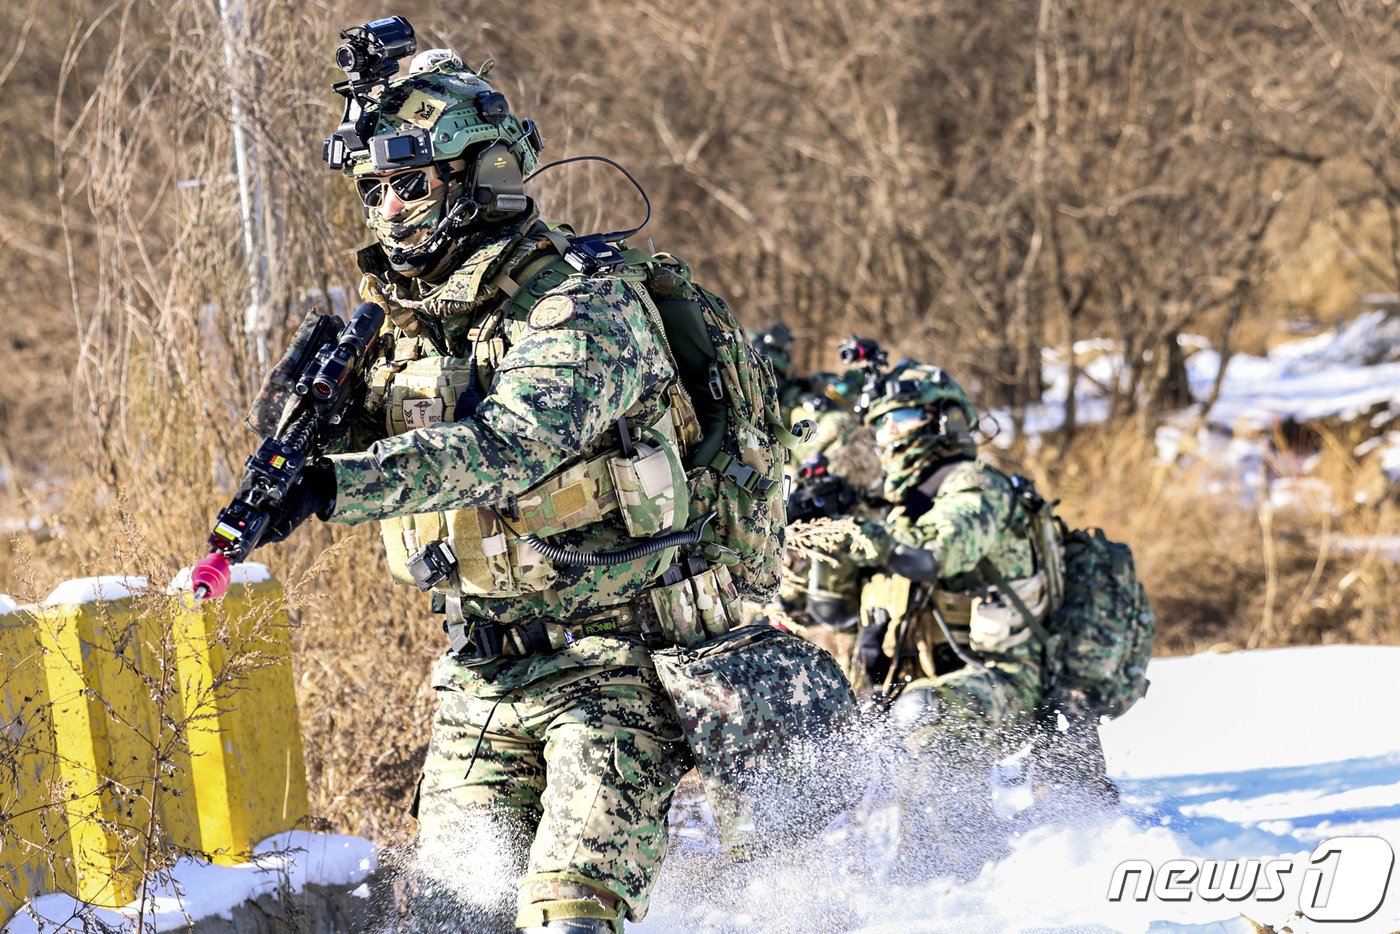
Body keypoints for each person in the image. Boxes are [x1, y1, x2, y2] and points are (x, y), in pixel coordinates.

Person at [266, 27, 786, 932]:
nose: (388, 211)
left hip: (616, 670)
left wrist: (336, 487)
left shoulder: (584, 304)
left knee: (566, 915)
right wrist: (305, 438)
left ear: (482, 173)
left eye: (411, 181)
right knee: (450, 921)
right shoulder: (415, 326)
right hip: (483, 674)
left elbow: (510, 446)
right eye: (372, 190)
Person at [806, 360, 1115, 874]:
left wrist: (866, 535)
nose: (887, 434)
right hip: (913, 686)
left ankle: (964, 875)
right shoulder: (896, 509)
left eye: (900, 417)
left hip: (1011, 683)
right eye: (880, 422)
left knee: (924, 714)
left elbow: (931, 555)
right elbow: (827, 610)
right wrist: (827, 530)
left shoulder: (977, 488)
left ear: (945, 420)